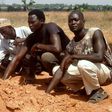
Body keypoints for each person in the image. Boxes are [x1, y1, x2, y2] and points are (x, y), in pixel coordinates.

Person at [46, 10, 112, 103]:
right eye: (70, 21)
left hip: (106, 72)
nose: (73, 23)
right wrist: (47, 92)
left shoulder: (94, 32)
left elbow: (99, 56)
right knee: (56, 70)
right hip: (88, 72)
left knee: (82, 64)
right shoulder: (70, 45)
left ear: (83, 21)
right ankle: (86, 89)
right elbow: (62, 68)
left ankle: (97, 91)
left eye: (76, 20)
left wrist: (74, 56)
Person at [2, 9, 70, 83]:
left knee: (46, 56)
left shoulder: (51, 27)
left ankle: (61, 79)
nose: (30, 25)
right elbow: (17, 58)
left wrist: (38, 45)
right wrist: (4, 79)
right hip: (56, 60)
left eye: (33, 22)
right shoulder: (31, 37)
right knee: (28, 56)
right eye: (29, 23)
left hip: (68, 57)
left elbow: (57, 48)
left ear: (42, 20)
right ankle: (33, 76)